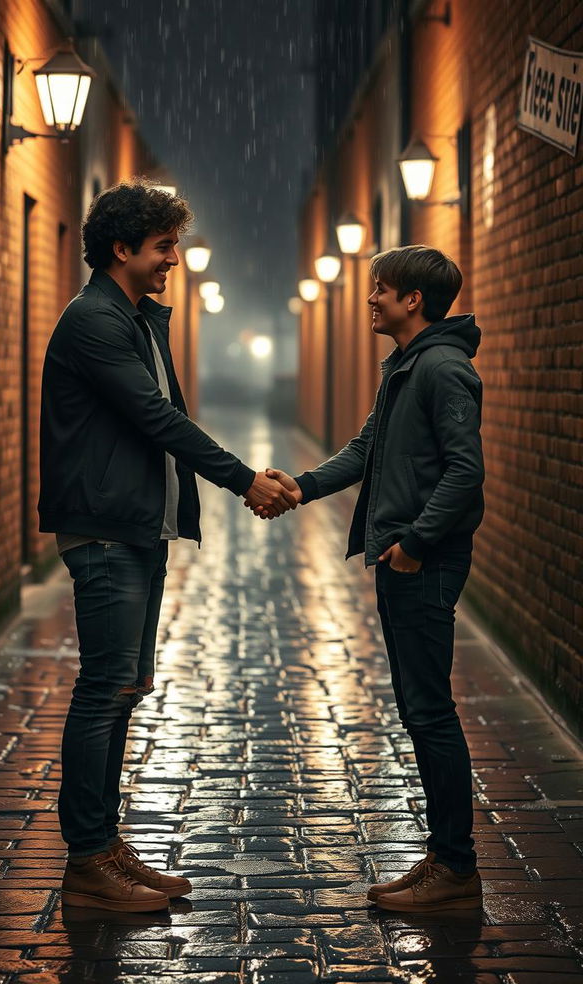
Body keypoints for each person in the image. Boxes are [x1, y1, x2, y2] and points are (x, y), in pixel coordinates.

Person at [38, 178, 296, 912]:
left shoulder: (135, 319)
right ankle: (87, 860)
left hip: (137, 527)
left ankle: (105, 845)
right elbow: (158, 418)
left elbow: (163, 418)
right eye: (162, 246)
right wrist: (245, 479)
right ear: (120, 248)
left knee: (126, 688)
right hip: (106, 528)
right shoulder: (94, 321)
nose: (173, 260)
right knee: (103, 689)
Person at [261, 245, 485, 912]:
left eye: (380, 289)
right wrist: (299, 487)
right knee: (421, 711)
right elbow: (367, 449)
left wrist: (415, 543)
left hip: (423, 562)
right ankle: (444, 858)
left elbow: (465, 472)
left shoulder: (442, 369)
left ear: (412, 299)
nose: (371, 299)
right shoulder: (408, 367)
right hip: (405, 559)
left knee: (429, 712)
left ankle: (456, 869)